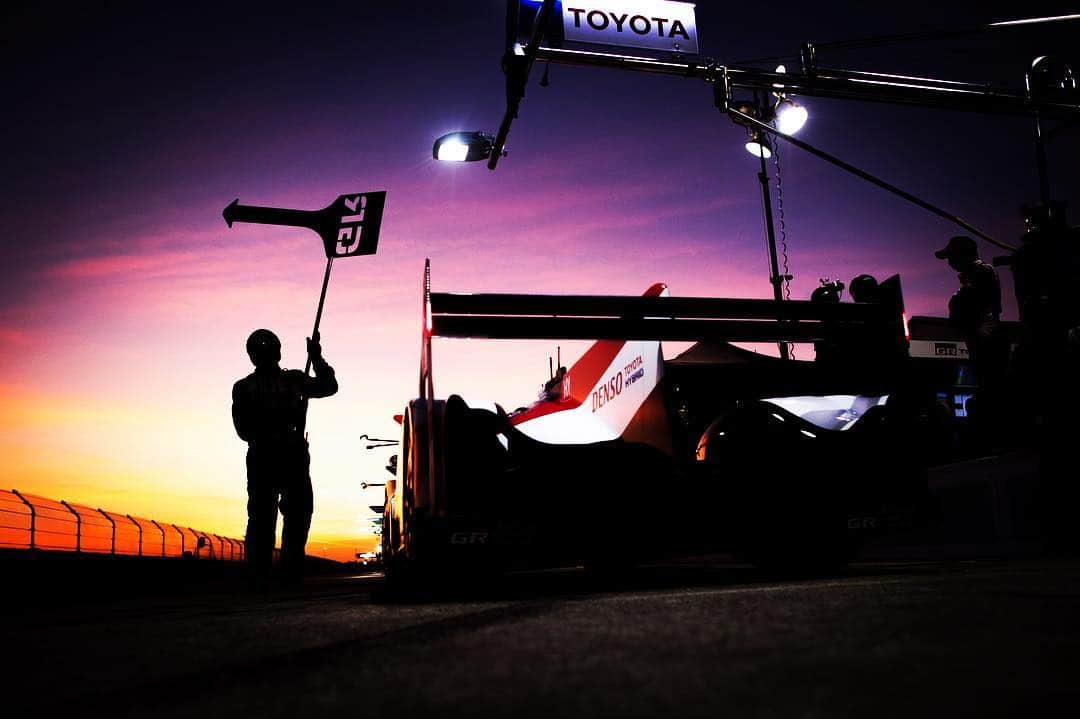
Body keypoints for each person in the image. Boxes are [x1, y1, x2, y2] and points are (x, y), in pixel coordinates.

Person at [232, 329, 338, 586]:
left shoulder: (290, 381)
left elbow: (328, 387)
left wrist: (316, 358)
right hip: (270, 456)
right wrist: (281, 419)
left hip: (286, 457)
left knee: (289, 514)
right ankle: (266, 571)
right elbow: (243, 429)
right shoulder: (250, 387)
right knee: (266, 516)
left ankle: (278, 571)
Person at [934, 235, 1008, 439]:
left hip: (987, 342)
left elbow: (966, 306)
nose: (949, 262)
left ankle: (993, 437)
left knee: (991, 388)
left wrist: (957, 304)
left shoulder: (981, 272)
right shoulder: (976, 275)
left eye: (951, 256)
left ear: (963, 255)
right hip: (983, 341)